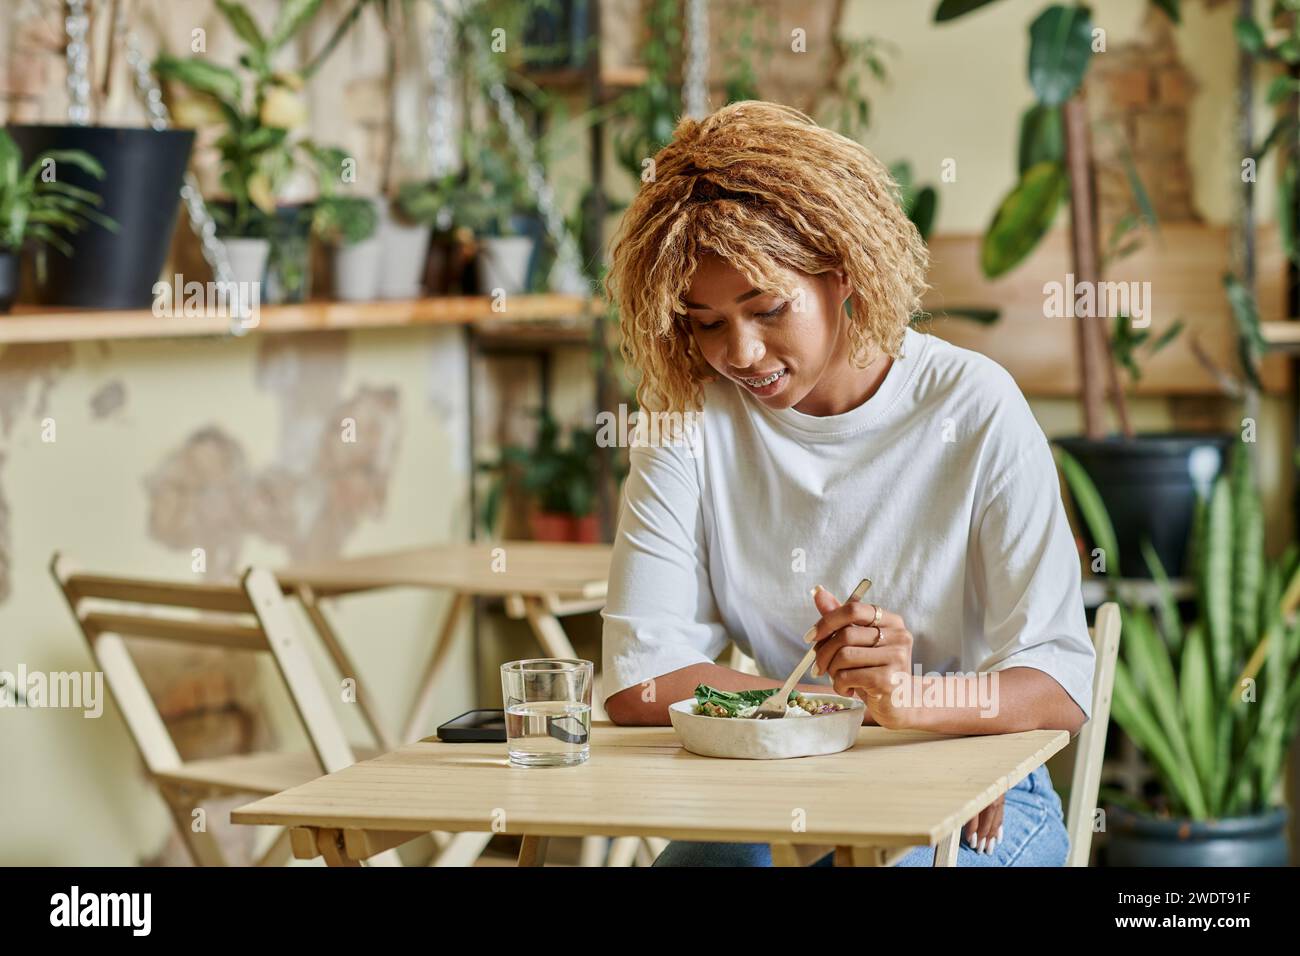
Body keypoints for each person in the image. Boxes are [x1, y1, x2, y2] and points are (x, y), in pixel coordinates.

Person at [599, 100, 1095, 867]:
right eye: (704, 321)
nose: (741, 351)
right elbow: (641, 684)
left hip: (978, 793)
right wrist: (855, 708)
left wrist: (928, 712)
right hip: (777, 765)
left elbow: (1059, 685)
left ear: (843, 274)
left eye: (767, 309)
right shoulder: (686, 418)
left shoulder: (973, 406)